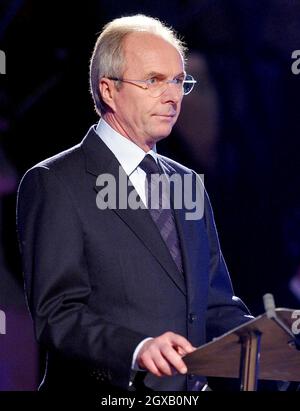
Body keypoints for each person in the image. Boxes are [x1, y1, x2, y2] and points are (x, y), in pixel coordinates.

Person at [17, 14, 251, 392]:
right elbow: (56, 315)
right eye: (154, 81)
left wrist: (276, 340)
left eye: (178, 81)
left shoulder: (186, 182)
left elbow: (216, 306)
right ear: (108, 90)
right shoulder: (54, 182)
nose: (173, 95)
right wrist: (137, 349)